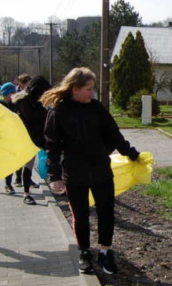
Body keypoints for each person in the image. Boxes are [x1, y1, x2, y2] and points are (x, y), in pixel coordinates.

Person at [42, 67, 141, 275]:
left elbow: (114, 133)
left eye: (92, 89)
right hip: (74, 173)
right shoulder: (58, 111)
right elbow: (52, 146)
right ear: (75, 88)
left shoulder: (96, 108)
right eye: (88, 89)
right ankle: (85, 252)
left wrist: (131, 153)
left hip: (101, 171)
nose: (92, 93)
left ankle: (105, 252)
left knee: (106, 213)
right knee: (80, 215)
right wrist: (55, 175)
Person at [13, 75, 52, 205]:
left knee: (52, 159)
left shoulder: (39, 100)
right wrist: (46, 112)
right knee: (28, 165)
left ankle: (56, 183)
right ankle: (26, 193)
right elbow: (30, 117)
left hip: (41, 135)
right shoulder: (23, 100)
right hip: (27, 137)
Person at [0, 82, 18, 195]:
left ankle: (8, 184)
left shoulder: (12, 104)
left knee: (9, 163)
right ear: (7, 93)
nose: (15, 94)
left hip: (9, 138)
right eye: (13, 92)